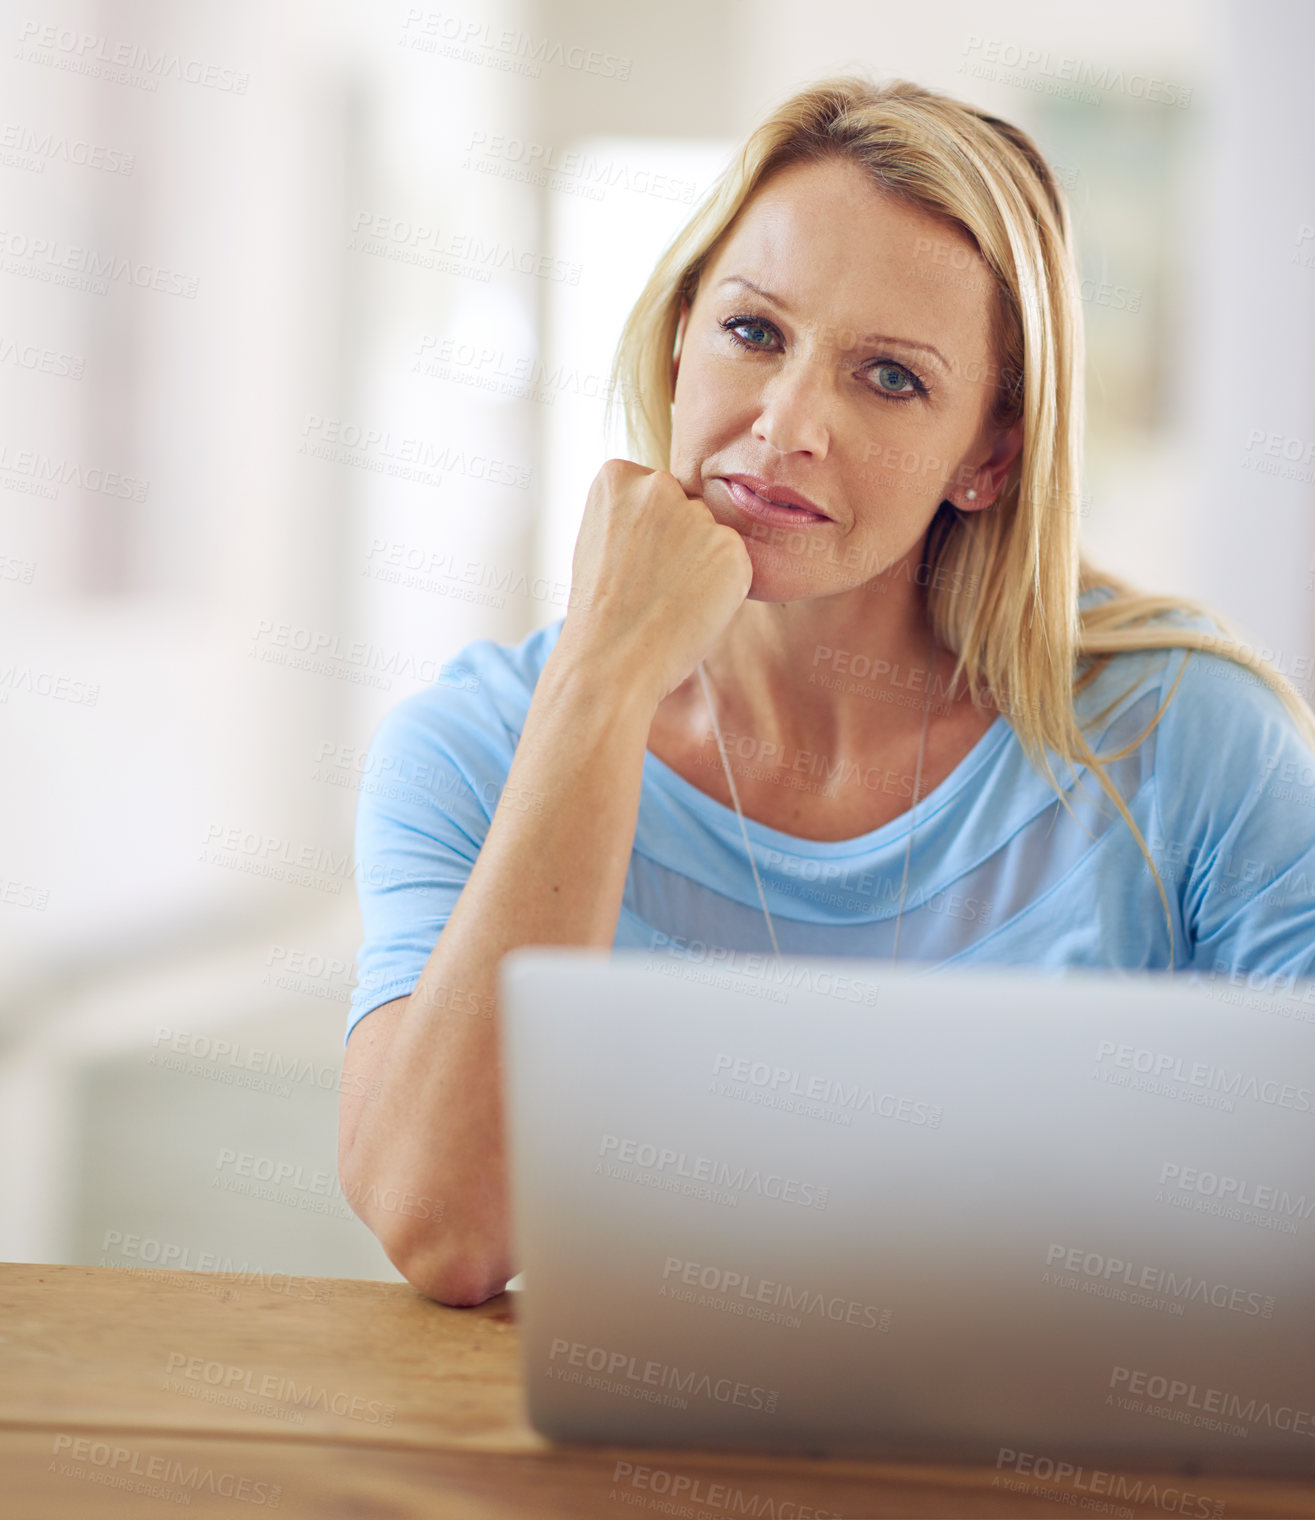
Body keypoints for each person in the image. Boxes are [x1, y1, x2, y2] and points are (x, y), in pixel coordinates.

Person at [337, 75, 1315, 1307]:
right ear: (680, 336)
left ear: (989, 455)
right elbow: (445, 1229)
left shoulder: (1194, 742)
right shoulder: (474, 745)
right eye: (755, 333)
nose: (787, 424)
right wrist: (602, 681)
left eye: (890, 378)